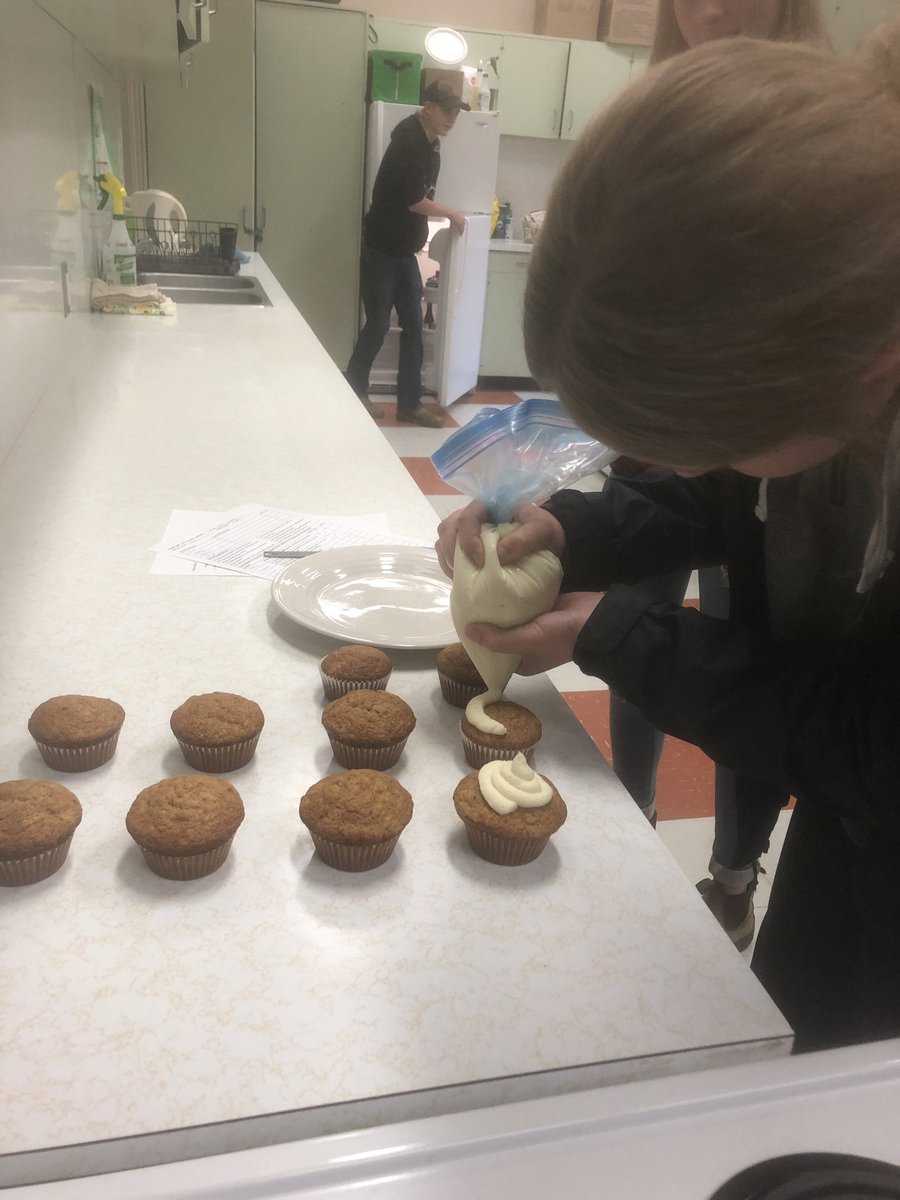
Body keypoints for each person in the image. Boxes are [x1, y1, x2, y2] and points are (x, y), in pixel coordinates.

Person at [436, 25, 900, 1052]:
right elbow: (723, 501)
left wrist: (625, 637)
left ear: (864, 373)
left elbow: (872, 738)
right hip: (849, 837)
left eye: (705, 442)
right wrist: (574, 529)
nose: (690, 469)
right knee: (789, 1042)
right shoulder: (838, 337)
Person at [607, 0, 829, 953]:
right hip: (684, 431)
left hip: (744, 437)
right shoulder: (650, 105)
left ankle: (734, 871)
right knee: (631, 635)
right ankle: (626, 833)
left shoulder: (818, 120)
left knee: (748, 654)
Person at [344, 80, 467, 428]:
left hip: (403, 251)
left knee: (413, 324)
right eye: (447, 110)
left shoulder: (431, 145)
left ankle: (409, 404)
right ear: (428, 107)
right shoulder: (409, 143)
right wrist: (453, 214)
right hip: (381, 249)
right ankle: (355, 388)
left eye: (456, 112)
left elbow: (419, 195)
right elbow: (414, 200)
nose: (452, 118)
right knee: (380, 323)